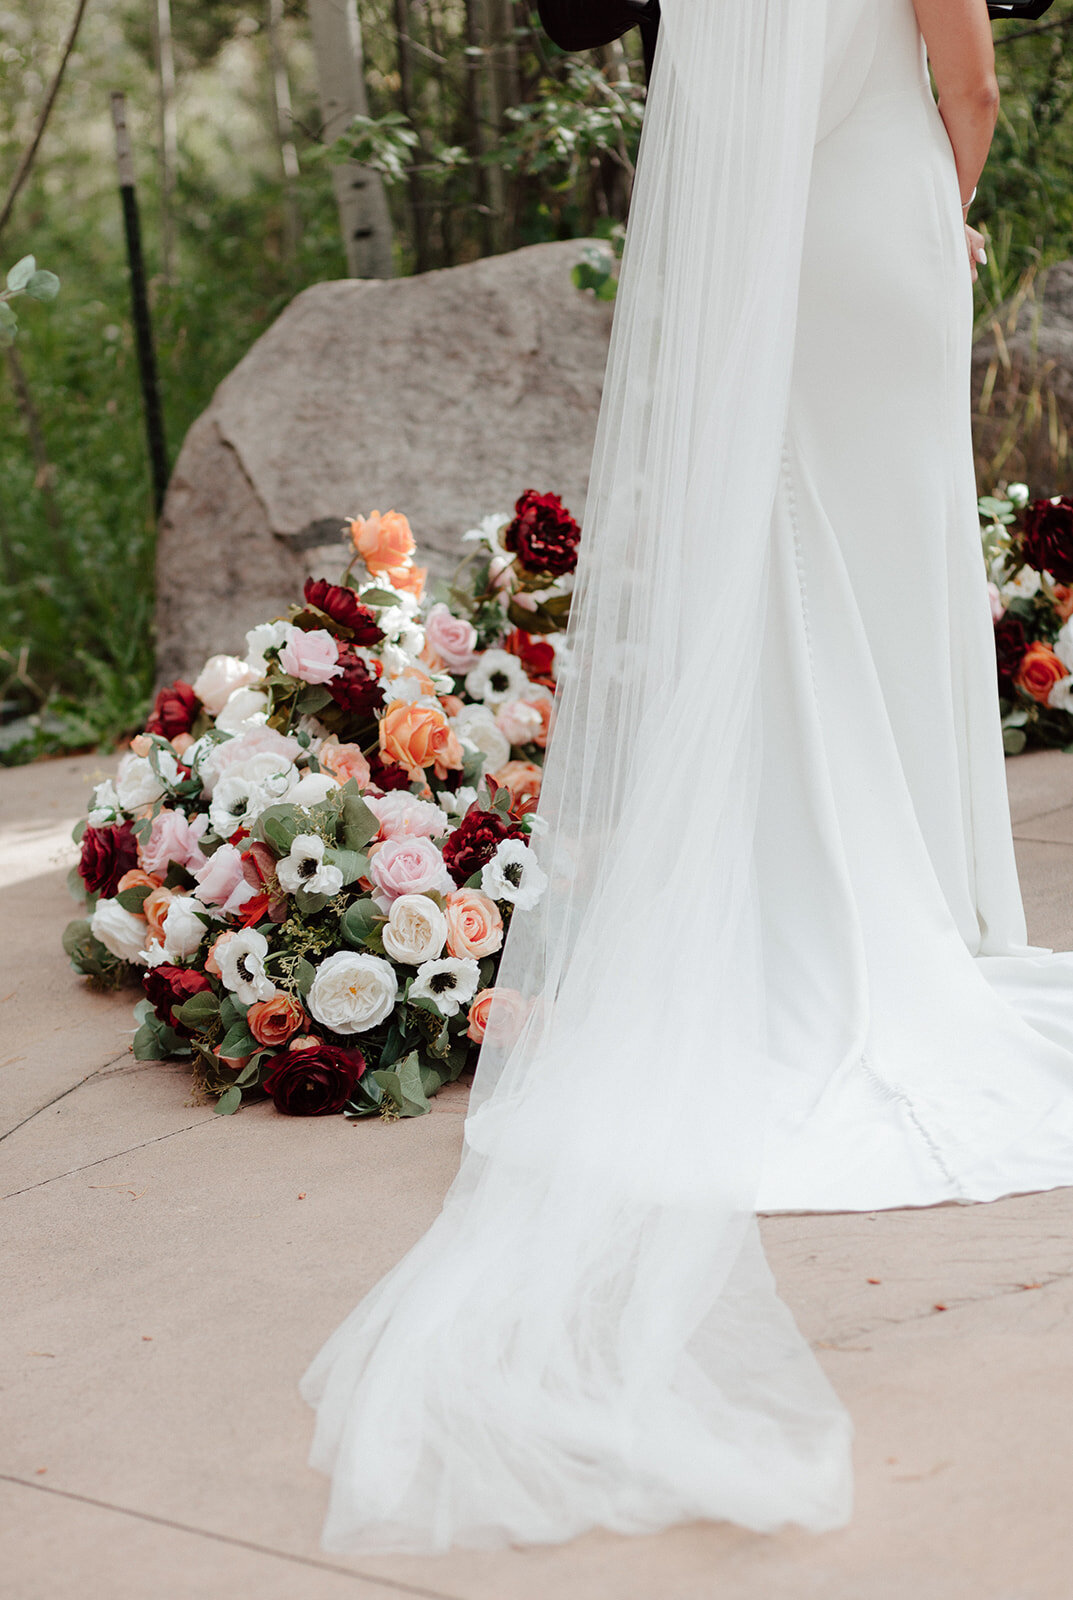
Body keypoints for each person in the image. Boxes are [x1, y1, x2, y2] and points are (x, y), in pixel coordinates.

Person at [300, 0, 1073, 1554]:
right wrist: (948, 203)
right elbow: (967, 76)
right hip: (875, 234)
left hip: (763, 263)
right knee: (884, 573)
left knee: (794, 585)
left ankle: (798, 905)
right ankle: (913, 904)